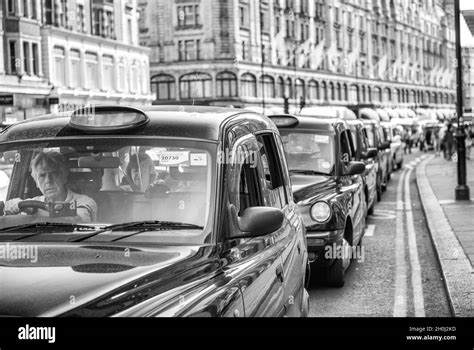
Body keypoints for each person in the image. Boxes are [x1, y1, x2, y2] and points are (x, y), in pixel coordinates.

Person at [4, 151, 97, 222]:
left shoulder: (85, 202)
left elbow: (78, 220)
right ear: (36, 182)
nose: (48, 180)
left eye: (54, 174)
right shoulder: (31, 203)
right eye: (42, 176)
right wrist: (13, 205)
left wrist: (35, 212)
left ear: (64, 177)